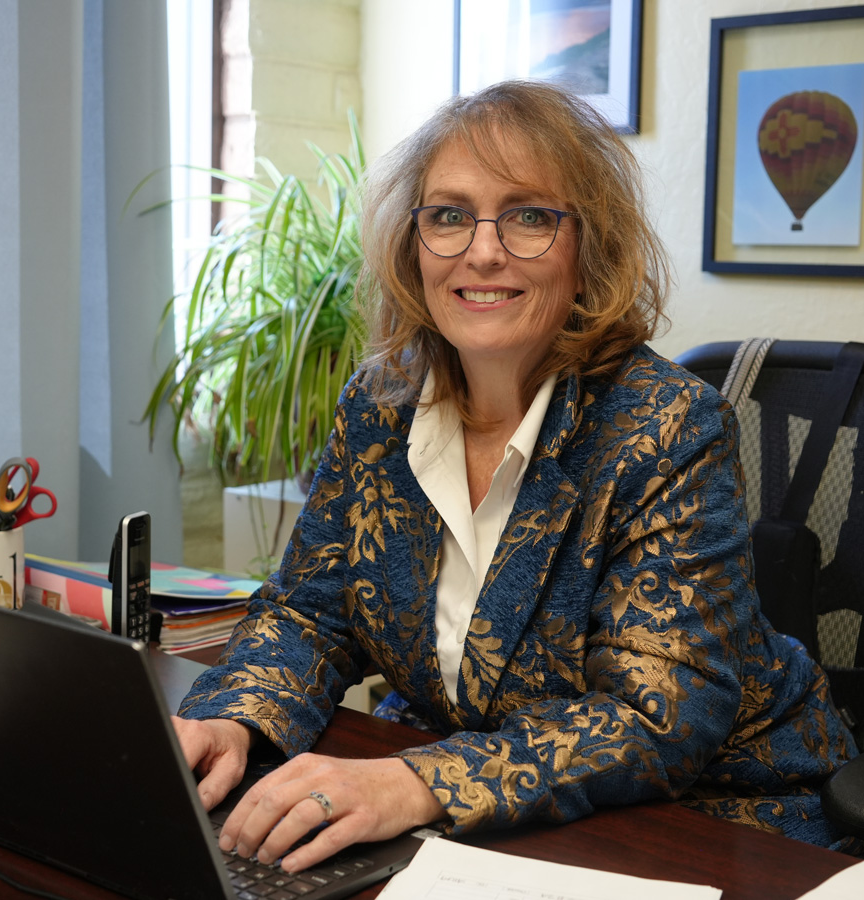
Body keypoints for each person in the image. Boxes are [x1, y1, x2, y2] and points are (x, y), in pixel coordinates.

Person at [174, 80, 860, 873]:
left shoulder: (667, 425)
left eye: (530, 215)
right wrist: (235, 718)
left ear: (588, 251)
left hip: (715, 817)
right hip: (483, 822)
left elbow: (658, 720)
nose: (483, 250)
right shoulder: (379, 403)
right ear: (414, 242)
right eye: (449, 215)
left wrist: (416, 782)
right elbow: (311, 613)